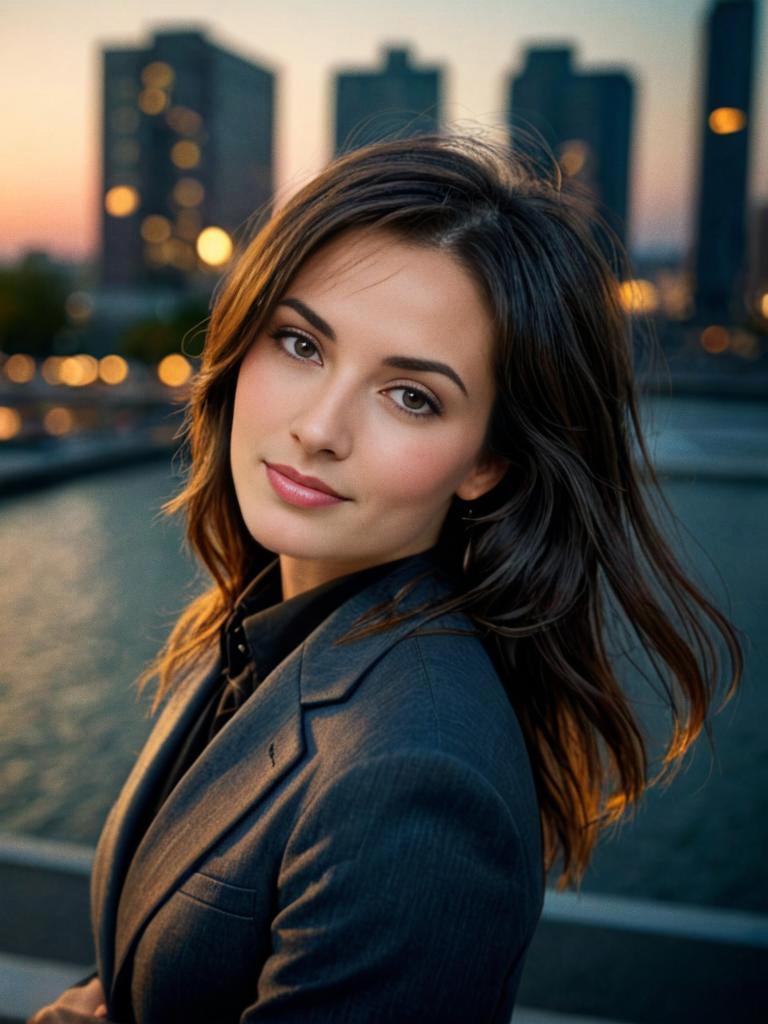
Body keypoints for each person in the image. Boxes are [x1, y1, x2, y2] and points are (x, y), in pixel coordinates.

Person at [29, 131, 742, 1024]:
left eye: (412, 396)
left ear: (490, 462)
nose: (321, 427)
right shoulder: (268, 626)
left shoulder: (413, 778)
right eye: (300, 344)